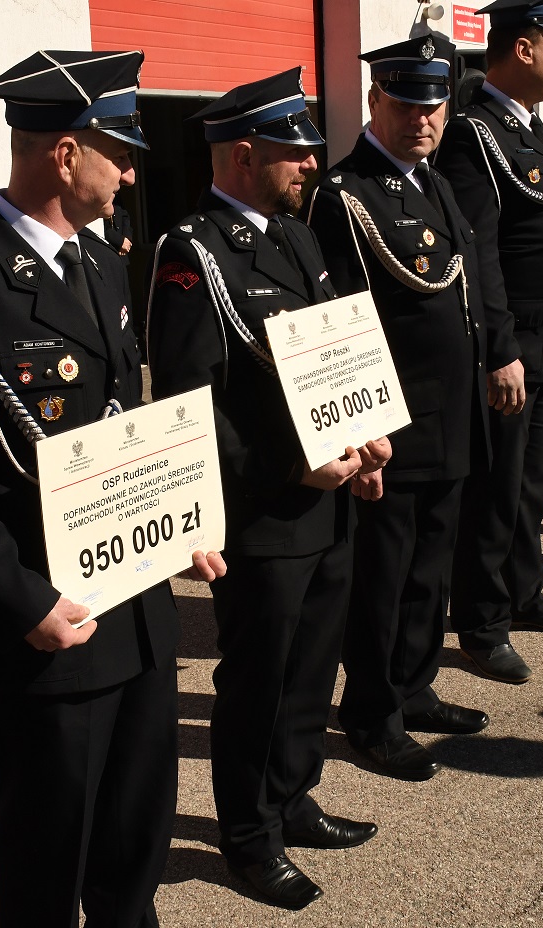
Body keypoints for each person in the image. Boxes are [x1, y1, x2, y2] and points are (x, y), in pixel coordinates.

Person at [0, 50, 224, 927]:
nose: (133, 173)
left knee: (134, 848)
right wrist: (19, 602)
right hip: (52, 626)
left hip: (138, 610)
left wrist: (178, 518)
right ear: (67, 154)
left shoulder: (103, 263)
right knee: (48, 859)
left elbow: (123, 425)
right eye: (120, 152)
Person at [146, 68, 388, 911]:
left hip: (329, 498)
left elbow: (335, 357)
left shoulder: (297, 237)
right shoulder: (193, 253)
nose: (311, 165)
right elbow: (189, 403)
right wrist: (288, 464)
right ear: (245, 155)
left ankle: (293, 797)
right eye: (295, 152)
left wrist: (367, 433)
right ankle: (250, 836)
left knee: (313, 668)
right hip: (262, 510)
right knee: (259, 680)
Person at [307, 34, 499, 779]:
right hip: (392, 427)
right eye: (408, 104)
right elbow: (342, 327)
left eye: (434, 105)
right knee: (381, 582)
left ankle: (415, 687)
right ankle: (372, 712)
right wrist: (360, 436)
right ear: (374, 101)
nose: (423, 119)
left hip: (449, 417)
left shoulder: (433, 183)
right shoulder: (344, 194)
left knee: (428, 572)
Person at [435, 0, 543, 686]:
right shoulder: (474, 133)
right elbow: (479, 253)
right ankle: (482, 622)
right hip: (514, 344)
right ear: (523, 49)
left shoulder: (528, 127)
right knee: (496, 491)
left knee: (531, 483)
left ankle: (524, 592)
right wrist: (499, 348)